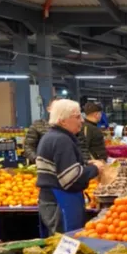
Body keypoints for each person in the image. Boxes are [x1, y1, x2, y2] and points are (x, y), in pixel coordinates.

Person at [36, 99, 104, 234]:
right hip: (61, 202)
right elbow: (70, 178)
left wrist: (84, 165)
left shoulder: (51, 137)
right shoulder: (62, 140)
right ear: (63, 121)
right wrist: (95, 169)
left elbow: (61, 168)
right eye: (77, 117)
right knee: (67, 242)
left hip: (51, 198)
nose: (82, 121)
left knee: (57, 243)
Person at [24, 98, 55, 163]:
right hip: (42, 165)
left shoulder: (69, 127)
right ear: (48, 109)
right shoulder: (38, 125)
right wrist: (38, 160)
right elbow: (28, 147)